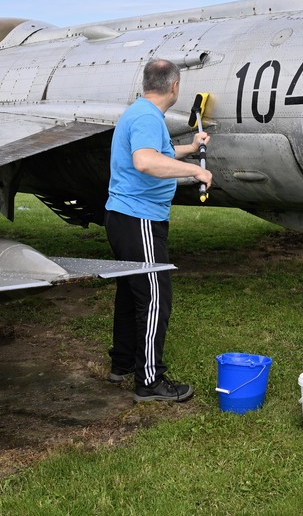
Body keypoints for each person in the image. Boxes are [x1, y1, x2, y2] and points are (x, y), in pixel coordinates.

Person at [105, 58, 212, 402]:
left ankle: (122, 364)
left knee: (130, 296)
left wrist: (190, 149)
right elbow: (145, 161)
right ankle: (149, 381)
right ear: (175, 86)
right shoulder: (148, 117)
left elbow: (156, 151)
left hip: (124, 218)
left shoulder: (140, 113)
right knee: (154, 300)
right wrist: (194, 171)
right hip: (140, 220)